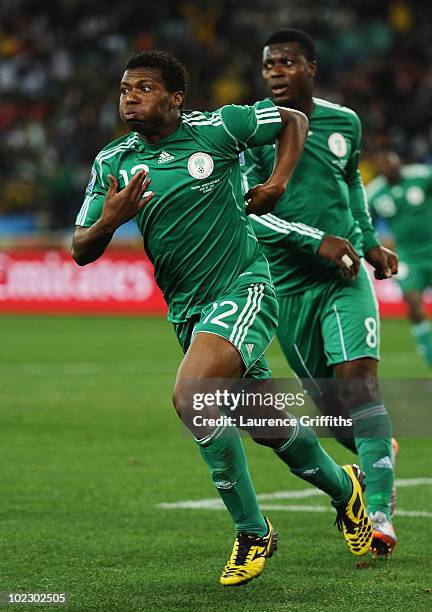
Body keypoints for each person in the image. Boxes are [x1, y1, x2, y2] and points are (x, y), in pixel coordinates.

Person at [72, 49, 372, 586]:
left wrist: (278, 181)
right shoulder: (112, 162)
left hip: (244, 288)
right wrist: (109, 222)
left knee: (192, 395)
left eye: (143, 88)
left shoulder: (220, 128)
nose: (130, 98)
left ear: (175, 98)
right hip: (187, 310)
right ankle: (348, 490)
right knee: (269, 427)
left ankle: (252, 530)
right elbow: (80, 248)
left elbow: (294, 120)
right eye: (124, 89)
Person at [241, 30, 398, 556]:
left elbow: (351, 181)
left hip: (345, 276)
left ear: (311, 66)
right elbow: (250, 215)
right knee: (335, 413)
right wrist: (316, 242)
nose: (275, 72)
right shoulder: (252, 130)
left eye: (286, 62)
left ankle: (378, 514)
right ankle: (378, 449)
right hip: (288, 285)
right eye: (268, 66)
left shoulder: (344, 121)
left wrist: (369, 242)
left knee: (359, 387)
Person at [367, 151, 432, 373]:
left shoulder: (421, 175)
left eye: (390, 160)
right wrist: (384, 245)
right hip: (408, 257)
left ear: (398, 160)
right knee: (413, 303)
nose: (387, 165)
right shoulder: (375, 193)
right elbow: (365, 225)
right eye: (381, 162)